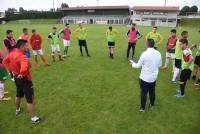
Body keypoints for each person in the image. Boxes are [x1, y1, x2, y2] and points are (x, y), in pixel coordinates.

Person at [3, 39, 42, 123]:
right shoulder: (22, 56)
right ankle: (33, 118)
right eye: (27, 46)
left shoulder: (12, 53)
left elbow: (4, 61)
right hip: (24, 79)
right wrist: (21, 73)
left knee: (19, 94)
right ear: (22, 46)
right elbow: (24, 66)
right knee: (30, 99)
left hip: (17, 78)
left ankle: (17, 109)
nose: (28, 47)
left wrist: (11, 70)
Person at [130, 39, 162, 112]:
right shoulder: (158, 53)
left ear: (147, 45)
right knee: (152, 91)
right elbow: (159, 65)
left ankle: (142, 108)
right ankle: (152, 104)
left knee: (143, 93)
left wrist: (132, 64)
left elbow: (138, 65)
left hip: (144, 78)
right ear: (154, 45)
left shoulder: (144, 54)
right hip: (153, 77)